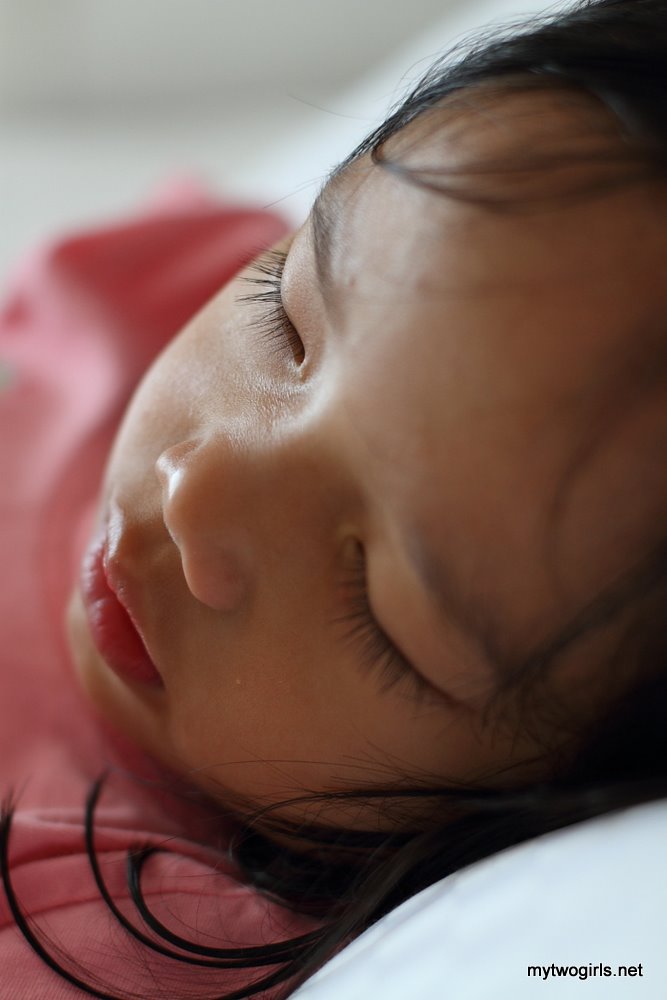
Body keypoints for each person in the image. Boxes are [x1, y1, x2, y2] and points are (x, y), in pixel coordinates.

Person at [1, 0, 666, 996]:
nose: (193, 493)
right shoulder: (161, 292)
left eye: (376, 607)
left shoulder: (91, 936)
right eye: (287, 326)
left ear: (543, 800)